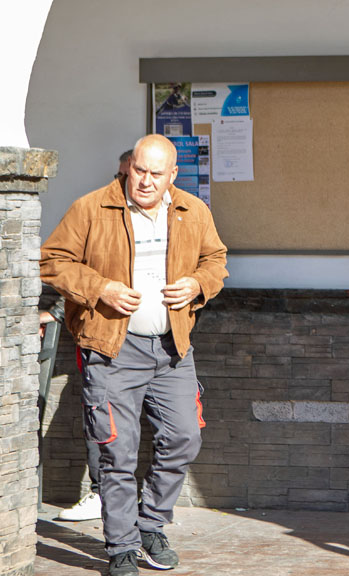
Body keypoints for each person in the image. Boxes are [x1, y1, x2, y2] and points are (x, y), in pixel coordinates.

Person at [40, 134, 228, 575]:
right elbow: (52, 261)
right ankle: (122, 546)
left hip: (173, 349)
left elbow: (216, 261)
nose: (144, 181)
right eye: (138, 170)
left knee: (184, 437)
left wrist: (198, 284)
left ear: (172, 175)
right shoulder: (92, 208)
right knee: (117, 452)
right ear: (129, 168)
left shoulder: (193, 210)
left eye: (155, 174)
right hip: (113, 349)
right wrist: (101, 288)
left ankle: (151, 525)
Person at [44, 148, 134, 523]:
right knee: (101, 418)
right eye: (123, 174)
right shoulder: (95, 212)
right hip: (101, 338)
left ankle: (143, 505)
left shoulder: (165, 218)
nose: (128, 182)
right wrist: (54, 312)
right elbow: (70, 268)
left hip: (151, 342)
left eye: (133, 174)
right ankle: (101, 493)